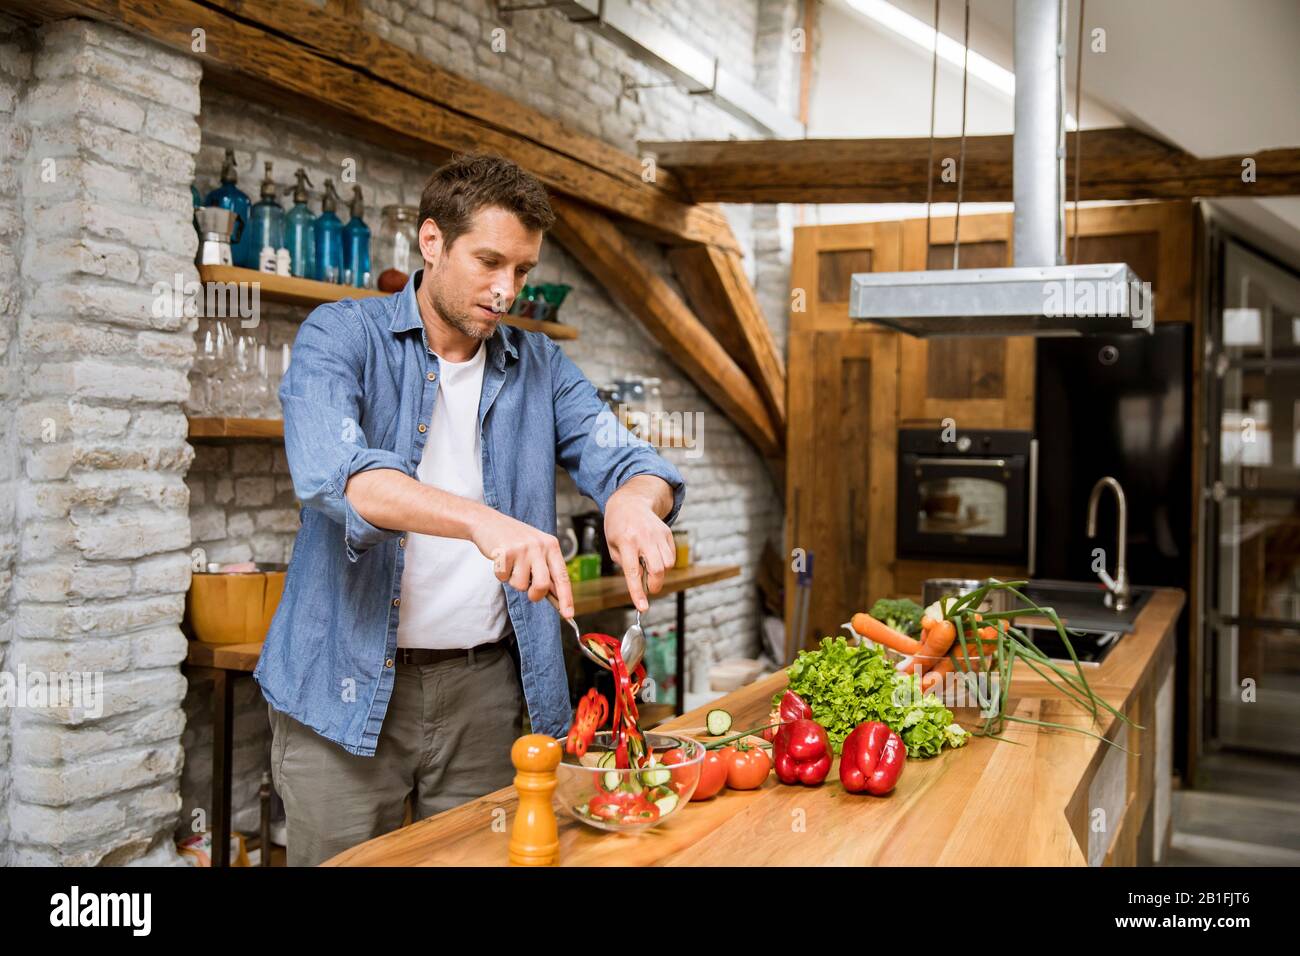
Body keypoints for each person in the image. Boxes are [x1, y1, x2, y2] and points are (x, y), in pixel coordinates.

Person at [254, 154, 685, 866]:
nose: (506, 289)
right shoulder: (342, 336)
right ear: (431, 242)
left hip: (486, 696)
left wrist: (635, 505)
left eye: (522, 269)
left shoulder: (539, 367)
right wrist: (482, 520)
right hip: (344, 684)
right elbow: (343, 478)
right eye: (490, 262)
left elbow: (630, 460)